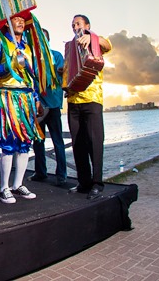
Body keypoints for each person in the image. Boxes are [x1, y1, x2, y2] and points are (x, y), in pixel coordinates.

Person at [0, 16, 45, 204]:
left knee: (25, 141)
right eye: (15, 19)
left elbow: (31, 76)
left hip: (27, 97)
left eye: (22, 20)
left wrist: (36, 98)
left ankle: (18, 184)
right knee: (9, 141)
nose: (20, 22)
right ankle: (4, 188)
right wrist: (9, 65)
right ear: (7, 24)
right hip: (9, 95)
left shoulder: (27, 48)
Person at [65, 14, 112, 200]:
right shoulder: (70, 47)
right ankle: (83, 182)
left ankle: (97, 183)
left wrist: (92, 37)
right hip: (73, 101)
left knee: (95, 143)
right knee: (78, 144)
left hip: (92, 99)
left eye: (78, 23)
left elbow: (108, 45)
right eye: (73, 25)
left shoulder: (95, 40)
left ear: (87, 25)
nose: (75, 27)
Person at [29, 28, 67, 187]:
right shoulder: (32, 59)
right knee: (38, 140)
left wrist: (61, 71)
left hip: (53, 104)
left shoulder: (56, 56)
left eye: (43, 38)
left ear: (48, 40)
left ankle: (61, 175)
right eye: (37, 38)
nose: (40, 41)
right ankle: (40, 172)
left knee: (57, 140)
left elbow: (63, 75)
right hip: (38, 105)